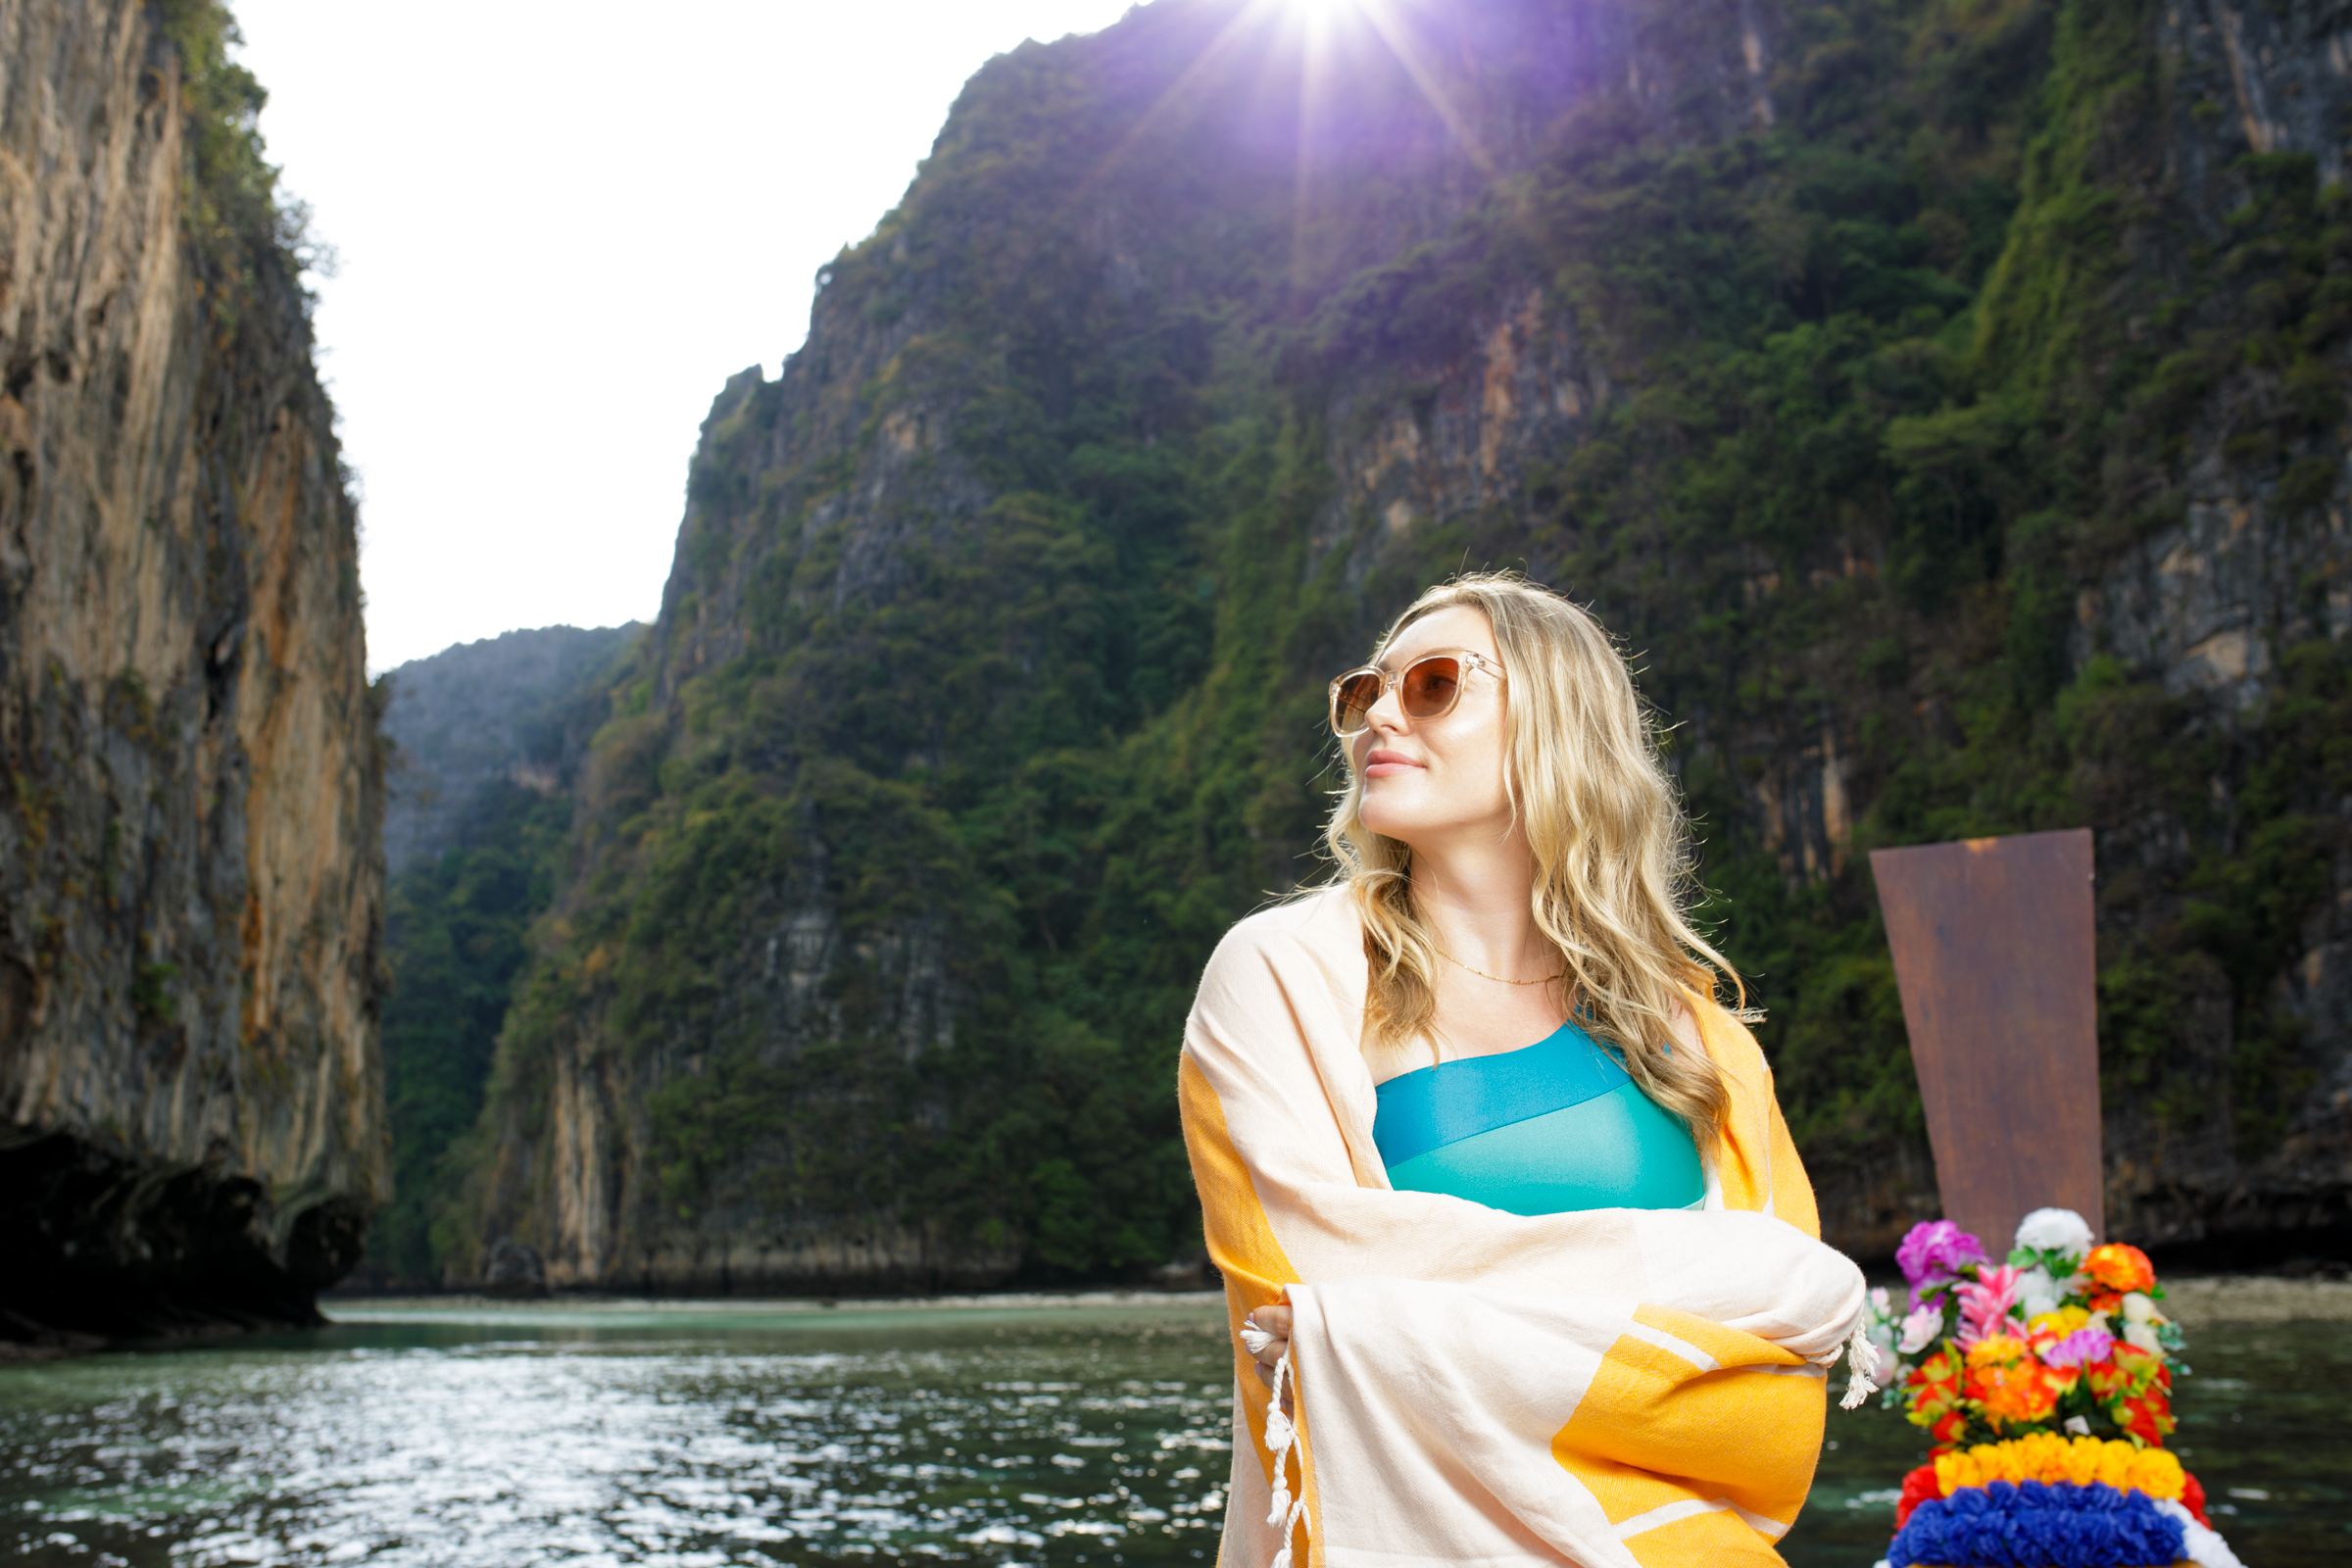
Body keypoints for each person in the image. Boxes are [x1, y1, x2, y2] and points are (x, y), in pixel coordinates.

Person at [1178, 573, 1871, 1568]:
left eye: (1431, 684)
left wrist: (1490, 1321)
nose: (1377, 711)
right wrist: (1670, 1292)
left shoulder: (1695, 1036)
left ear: (1555, 718)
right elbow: (1303, 1288)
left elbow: (1772, 1367)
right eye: (1362, 691)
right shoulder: (1283, 975)